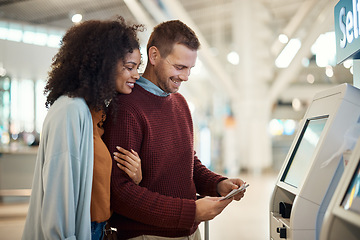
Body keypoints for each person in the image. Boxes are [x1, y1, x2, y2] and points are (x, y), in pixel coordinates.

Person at [102, 20, 246, 240]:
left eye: (190, 68)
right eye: (179, 67)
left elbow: (188, 163)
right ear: (154, 55)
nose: (186, 77)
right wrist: (193, 211)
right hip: (147, 235)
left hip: (189, 231)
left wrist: (218, 184)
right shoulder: (127, 108)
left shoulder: (179, 103)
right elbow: (121, 193)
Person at [22, 17, 143, 240]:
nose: (136, 74)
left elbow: (96, 183)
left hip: (97, 229)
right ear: (104, 64)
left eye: (137, 67)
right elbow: (59, 193)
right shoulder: (71, 111)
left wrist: (135, 178)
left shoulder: (95, 112)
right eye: (129, 67)